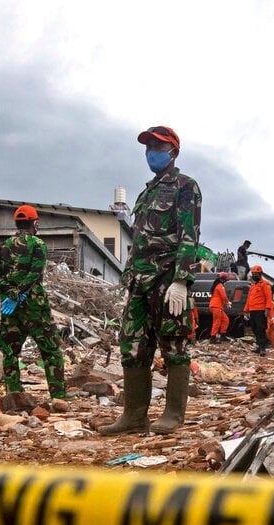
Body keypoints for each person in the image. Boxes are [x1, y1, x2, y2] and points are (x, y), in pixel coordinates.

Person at [99, 125, 201, 435]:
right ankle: (133, 416)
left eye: (157, 147)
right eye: (147, 148)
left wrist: (182, 279)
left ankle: (173, 414)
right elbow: (138, 240)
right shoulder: (146, 193)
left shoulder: (185, 186)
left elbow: (189, 235)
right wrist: (128, 277)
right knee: (132, 346)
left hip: (167, 277)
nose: (150, 153)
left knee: (173, 343)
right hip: (139, 282)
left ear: (173, 151)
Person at [0, 205, 66, 398]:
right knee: (51, 349)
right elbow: (34, 273)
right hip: (35, 307)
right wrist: (19, 293)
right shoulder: (38, 244)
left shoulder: (2, 247)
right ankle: (58, 396)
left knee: (10, 350)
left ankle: (14, 393)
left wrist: (9, 293)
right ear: (35, 223)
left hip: (10, 309)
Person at [244, 265, 274, 356]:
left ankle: (262, 348)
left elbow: (269, 298)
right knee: (254, 328)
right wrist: (246, 310)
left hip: (261, 311)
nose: (254, 275)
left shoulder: (265, 285)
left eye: (255, 274)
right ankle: (259, 345)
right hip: (252, 311)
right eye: (253, 274)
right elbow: (249, 299)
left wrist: (267, 309)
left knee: (261, 329)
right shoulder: (253, 286)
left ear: (260, 274)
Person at [209, 272, 232, 342]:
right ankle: (213, 337)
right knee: (217, 322)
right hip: (216, 306)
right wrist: (228, 303)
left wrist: (226, 303)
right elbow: (224, 296)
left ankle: (223, 335)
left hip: (216, 306)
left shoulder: (217, 285)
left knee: (226, 320)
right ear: (223, 280)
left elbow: (222, 297)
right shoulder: (220, 286)